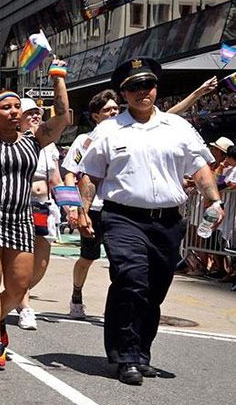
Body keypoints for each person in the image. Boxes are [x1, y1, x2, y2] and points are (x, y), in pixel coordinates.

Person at [78, 57, 222, 386]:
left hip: (168, 222)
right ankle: (126, 356)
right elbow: (90, 175)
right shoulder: (108, 130)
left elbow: (200, 168)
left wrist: (214, 200)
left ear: (156, 88)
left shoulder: (179, 128)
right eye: (134, 87)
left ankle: (141, 353)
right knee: (132, 280)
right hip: (123, 217)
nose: (143, 91)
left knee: (154, 290)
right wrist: (83, 211)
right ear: (124, 93)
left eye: (148, 85)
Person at [0, 58, 68, 370]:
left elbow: (62, 116)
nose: (12, 112)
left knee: (21, 286)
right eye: (4, 108)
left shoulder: (33, 142)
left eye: (15, 107)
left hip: (20, 219)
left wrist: (58, 77)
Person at [61, 89, 120, 318]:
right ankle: (77, 295)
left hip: (118, 209)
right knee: (88, 258)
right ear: (96, 116)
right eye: (107, 110)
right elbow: (69, 174)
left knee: (120, 261)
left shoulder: (129, 135)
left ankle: (118, 308)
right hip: (92, 210)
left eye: (116, 108)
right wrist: (73, 209)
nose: (113, 112)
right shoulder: (84, 142)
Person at [14, 98, 62, 331]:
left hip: (44, 208)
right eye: (29, 113)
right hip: (20, 207)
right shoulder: (14, 142)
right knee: (22, 259)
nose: (34, 116)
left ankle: (12, 294)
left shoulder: (50, 145)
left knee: (41, 263)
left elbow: (57, 180)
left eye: (37, 113)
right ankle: (24, 307)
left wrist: (73, 207)